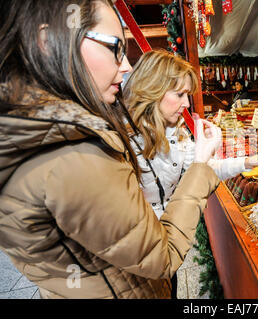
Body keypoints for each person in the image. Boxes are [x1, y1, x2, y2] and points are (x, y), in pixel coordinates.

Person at [0, 0, 222, 299]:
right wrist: (201, 165)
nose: (127, 64)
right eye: (116, 48)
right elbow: (161, 257)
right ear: (48, 42)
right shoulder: (73, 153)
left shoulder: (44, 133)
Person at [123, 50, 258, 297]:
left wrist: (248, 161)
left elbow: (204, 170)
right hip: (140, 261)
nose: (186, 103)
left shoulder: (174, 130)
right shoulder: (123, 143)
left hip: (167, 248)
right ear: (152, 90)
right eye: (180, 94)